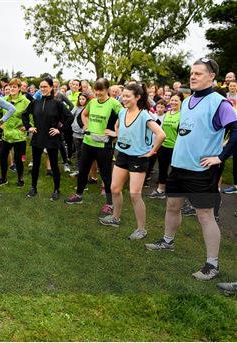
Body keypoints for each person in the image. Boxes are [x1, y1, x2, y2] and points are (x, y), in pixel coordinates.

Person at [145, 58, 237, 281]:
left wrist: (221, 157)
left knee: (204, 215)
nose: (193, 77)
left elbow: (235, 131)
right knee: (172, 206)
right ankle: (167, 241)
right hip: (179, 166)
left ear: (212, 76)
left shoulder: (219, 103)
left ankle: (211, 264)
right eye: (191, 73)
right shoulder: (186, 101)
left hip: (201, 170)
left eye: (198, 73)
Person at [98, 83, 166, 240]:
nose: (124, 98)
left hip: (138, 158)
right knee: (115, 188)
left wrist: (152, 151)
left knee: (135, 194)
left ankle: (141, 229)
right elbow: (121, 128)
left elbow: (161, 134)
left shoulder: (144, 115)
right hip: (122, 154)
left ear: (138, 97)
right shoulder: (122, 112)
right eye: (123, 95)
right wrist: (116, 133)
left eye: (128, 96)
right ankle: (115, 218)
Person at [65, 78, 122, 218]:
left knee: (106, 175)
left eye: (101, 90)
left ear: (107, 89)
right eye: (96, 90)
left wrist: (116, 133)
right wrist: (86, 125)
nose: (97, 93)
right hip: (88, 142)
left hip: (104, 145)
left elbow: (126, 119)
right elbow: (84, 114)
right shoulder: (92, 102)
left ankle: (109, 203)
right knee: (83, 170)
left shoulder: (114, 103)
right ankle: (79, 195)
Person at [22, 78, 68, 200]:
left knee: (54, 165)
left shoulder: (57, 103)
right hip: (38, 136)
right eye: (41, 87)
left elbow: (70, 117)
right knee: (36, 165)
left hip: (52, 138)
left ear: (51, 88)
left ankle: (57, 189)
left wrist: (60, 129)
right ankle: (33, 188)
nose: (43, 89)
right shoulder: (35, 102)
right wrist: (29, 127)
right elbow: (24, 114)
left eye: (45, 86)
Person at [149, 93, 183, 199]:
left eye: (176, 100)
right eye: (172, 100)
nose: (173, 102)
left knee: (175, 170)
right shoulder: (167, 113)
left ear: (181, 102)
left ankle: (174, 193)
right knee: (162, 168)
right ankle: (160, 190)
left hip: (175, 147)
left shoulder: (182, 115)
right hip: (163, 146)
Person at [0, 78, 30, 187]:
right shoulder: (4, 100)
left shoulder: (26, 102)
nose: (12, 89)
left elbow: (31, 117)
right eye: (10, 87)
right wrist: (0, 123)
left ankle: (20, 179)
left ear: (20, 88)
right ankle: (3, 178)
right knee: (2, 157)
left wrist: (27, 126)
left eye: (14, 87)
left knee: (18, 159)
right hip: (6, 135)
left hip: (19, 136)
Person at [70, 93, 89, 176]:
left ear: (87, 100)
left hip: (85, 134)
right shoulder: (76, 108)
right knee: (78, 152)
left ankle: (84, 170)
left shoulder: (89, 108)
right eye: (80, 99)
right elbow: (70, 115)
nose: (81, 101)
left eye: (83, 99)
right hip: (76, 133)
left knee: (84, 153)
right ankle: (78, 169)